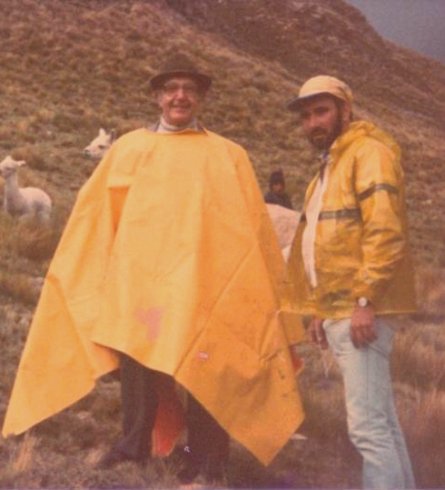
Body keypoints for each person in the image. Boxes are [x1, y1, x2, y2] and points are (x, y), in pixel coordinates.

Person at [2, 54, 304, 486]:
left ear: (201, 97)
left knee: (208, 361)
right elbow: (97, 215)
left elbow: (251, 228)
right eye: (171, 89)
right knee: (138, 363)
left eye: (189, 89)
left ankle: (205, 456)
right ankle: (133, 446)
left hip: (204, 284)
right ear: (158, 97)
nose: (180, 96)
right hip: (140, 284)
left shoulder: (228, 155)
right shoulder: (129, 149)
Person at [286, 75, 416, 489]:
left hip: (362, 311)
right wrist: (319, 311)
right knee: (382, 423)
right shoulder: (329, 167)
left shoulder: (368, 153)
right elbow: (327, 246)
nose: (313, 123)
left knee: (367, 429)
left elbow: (385, 232)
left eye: (321, 111)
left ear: (346, 110)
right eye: (306, 116)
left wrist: (364, 300)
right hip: (342, 310)